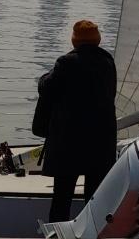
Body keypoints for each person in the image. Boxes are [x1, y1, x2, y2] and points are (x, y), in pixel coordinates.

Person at [37, 19, 117, 224]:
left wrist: (44, 77)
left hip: (69, 144)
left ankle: (57, 235)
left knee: (62, 198)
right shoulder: (108, 63)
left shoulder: (66, 63)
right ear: (97, 40)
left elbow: (46, 87)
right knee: (94, 199)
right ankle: (93, 234)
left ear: (75, 40)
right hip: (100, 142)